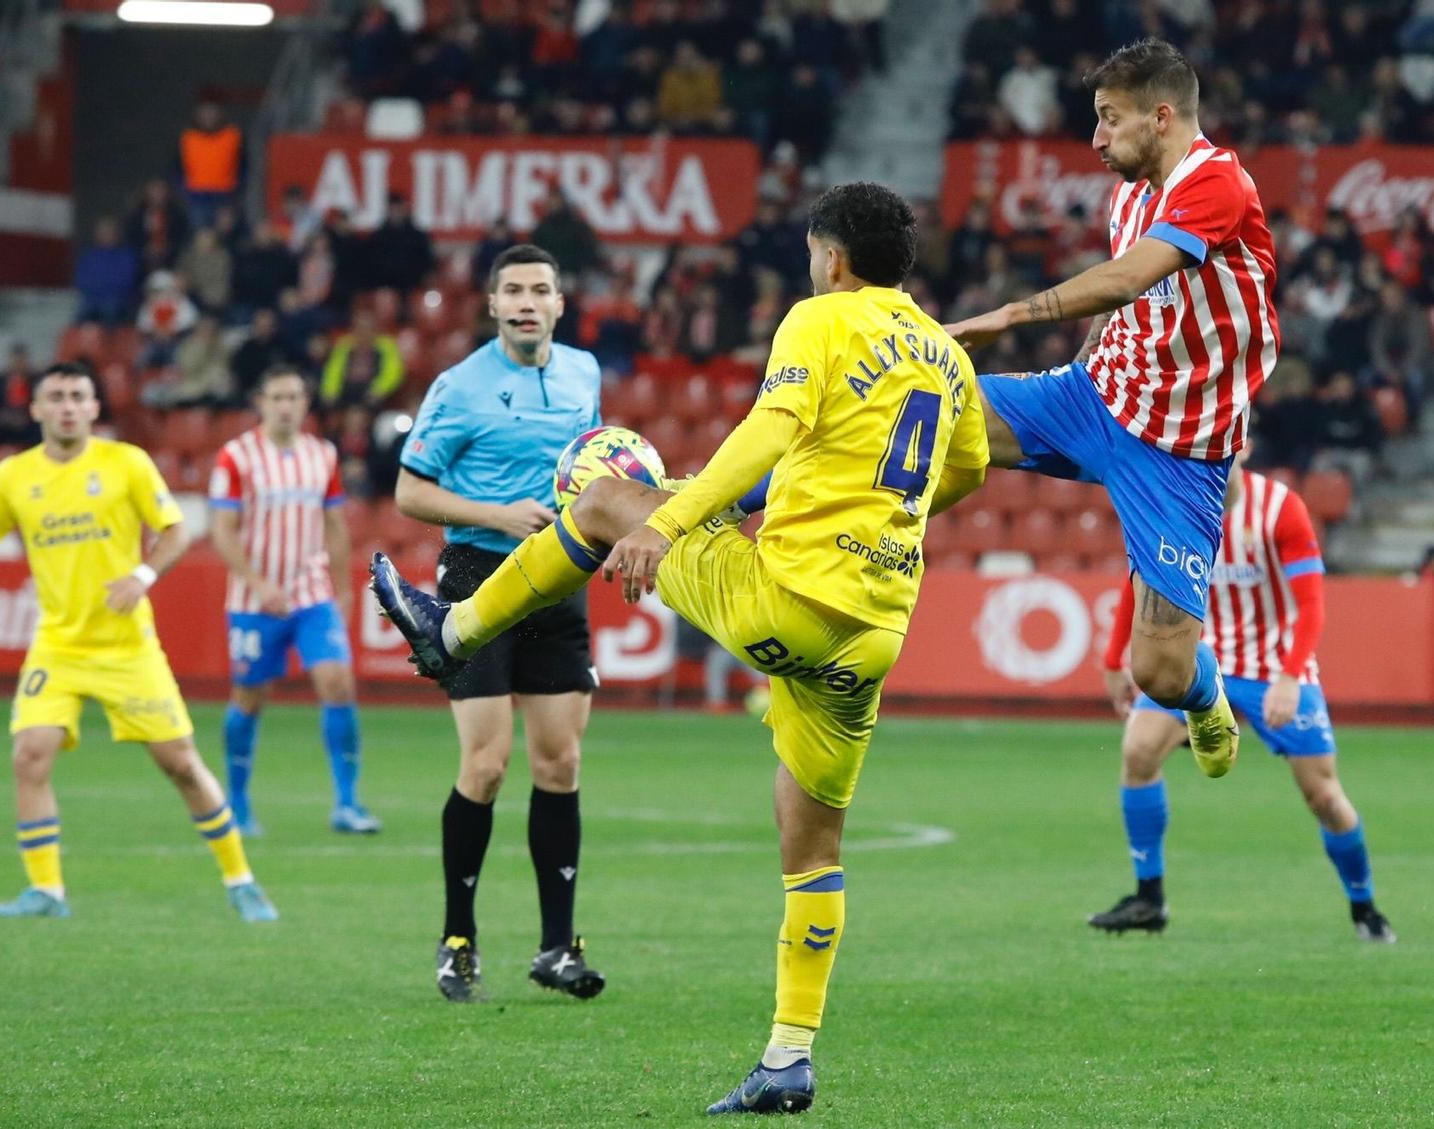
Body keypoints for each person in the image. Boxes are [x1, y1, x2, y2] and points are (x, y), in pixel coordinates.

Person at [372, 186, 987, 1113]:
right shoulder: (945, 352)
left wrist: (670, 518)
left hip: (792, 597)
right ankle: (787, 1057)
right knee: (810, 839)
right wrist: (867, 512)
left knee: (607, 500)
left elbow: (767, 433)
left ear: (829, 256)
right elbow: (969, 468)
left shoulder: (818, 322)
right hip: (874, 632)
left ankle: (448, 629)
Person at [945, 37, 1280, 781]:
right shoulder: (1130, 190)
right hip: (1092, 399)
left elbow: (1129, 278)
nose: (1095, 138)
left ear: (1162, 116)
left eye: (1108, 119)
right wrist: (1086, 354)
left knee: (1157, 672)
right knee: (925, 406)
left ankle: (1203, 691)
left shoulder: (1217, 183)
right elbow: (1129, 306)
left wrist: (1003, 318)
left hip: (1178, 455)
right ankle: (731, 501)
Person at [0, 361, 277, 923]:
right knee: (29, 756)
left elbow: (175, 531)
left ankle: (240, 879)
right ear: (37, 409)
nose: (68, 405)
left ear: (95, 408)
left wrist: (142, 578)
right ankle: (46, 892)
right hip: (58, 645)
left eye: (79, 395)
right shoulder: (12, 477)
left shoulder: (127, 464)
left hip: (127, 647)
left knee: (181, 765)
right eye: (57, 396)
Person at [386, 244, 607, 1005]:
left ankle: (557, 947)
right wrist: (495, 514)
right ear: (491, 304)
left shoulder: (584, 373)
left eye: (540, 289)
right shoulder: (459, 387)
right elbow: (410, 492)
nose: (525, 300)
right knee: (485, 766)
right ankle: (457, 940)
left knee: (561, 763)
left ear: (558, 304)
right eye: (512, 289)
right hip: (479, 579)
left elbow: (592, 462)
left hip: (559, 576)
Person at [1095, 445, 1394, 943]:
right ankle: (1149, 897)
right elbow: (1139, 583)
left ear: (1244, 448)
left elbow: (1312, 605)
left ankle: (1364, 906)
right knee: (1137, 751)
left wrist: (1291, 676)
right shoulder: (1176, 505)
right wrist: (1112, 657)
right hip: (1200, 662)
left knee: (1323, 795)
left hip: (1272, 665)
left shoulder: (1280, 509)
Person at [207, 365, 377, 836]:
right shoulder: (235, 458)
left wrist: (342, 587)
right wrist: (257, 583)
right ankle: (238, 806)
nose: (286, 406)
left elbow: (336, 525)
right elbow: (222, 531)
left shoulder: (322, 455)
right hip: (252, 599)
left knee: (338, 682)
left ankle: (347, 803)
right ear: (260, 402)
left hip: (310, 593)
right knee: (250, 697)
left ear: (306, 404)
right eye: (277, 397)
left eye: (294, 397)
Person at [178, 101, 242, 231]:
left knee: (226, 230)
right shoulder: (188, 137)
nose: (209, 117)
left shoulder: (232, 135)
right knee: (199, 232)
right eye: (205, 113)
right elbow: (177, 167)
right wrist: (182, 190)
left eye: (212, 113)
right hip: (197, 195)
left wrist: (238, 189)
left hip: (226, 194)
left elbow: (243, 165)